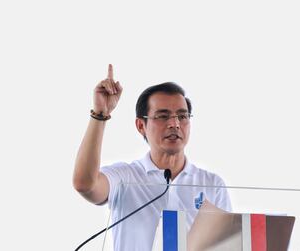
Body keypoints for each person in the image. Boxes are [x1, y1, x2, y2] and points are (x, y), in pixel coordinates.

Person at [73, 64, 231, 251]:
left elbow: (227, 245)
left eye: (182, 116)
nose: (175, 124)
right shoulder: (125, 178)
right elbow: (85, 184)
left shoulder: (212, 185)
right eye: (163, 116)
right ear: (141, 126)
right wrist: (100, 115)